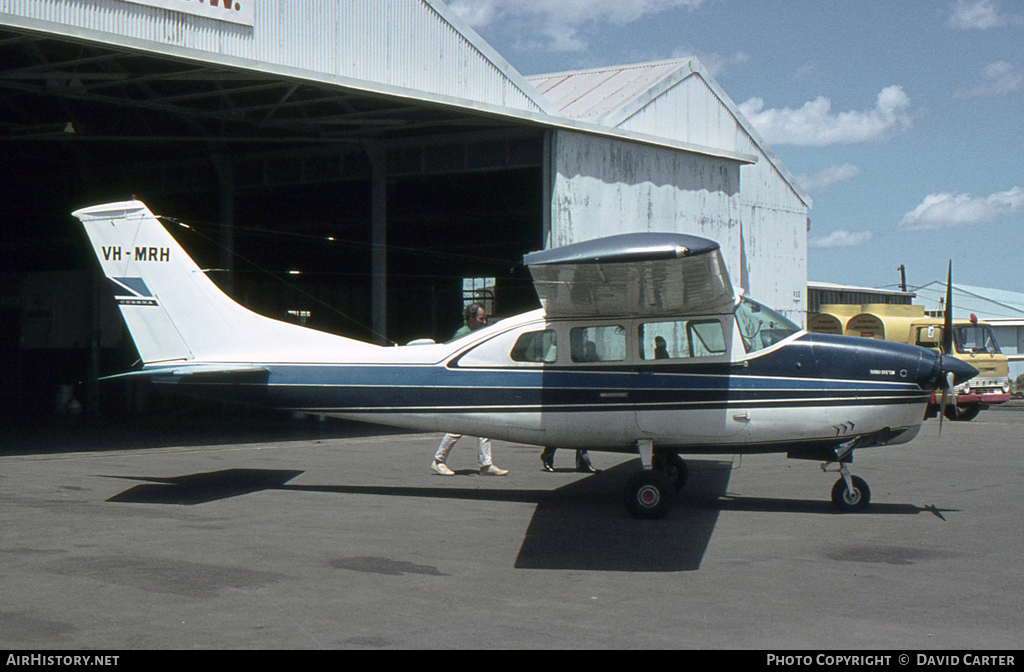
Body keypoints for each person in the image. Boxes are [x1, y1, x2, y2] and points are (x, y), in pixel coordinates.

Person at [431, 303, 508, 476]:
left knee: (484, 425)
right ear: (471, 319)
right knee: (459, 425)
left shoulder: (478, 334)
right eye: (481, 318)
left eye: (485, 318)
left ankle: (486, 464)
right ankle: (439, 460)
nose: (484, 322)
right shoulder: (462, 335)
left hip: (474, 385)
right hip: (462, 387)